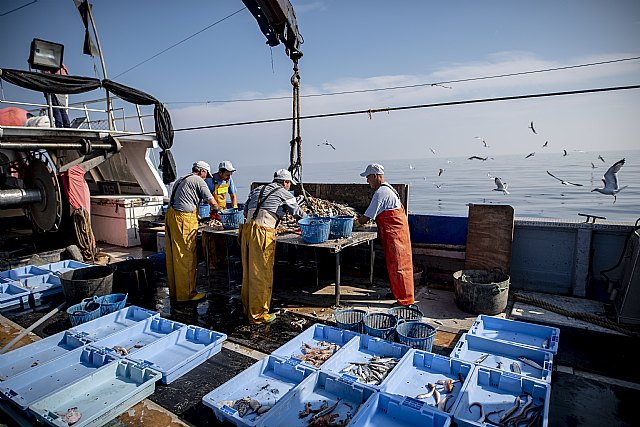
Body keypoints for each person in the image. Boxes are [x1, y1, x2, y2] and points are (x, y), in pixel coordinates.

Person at [240, 168, 306, 324]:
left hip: (246, 231)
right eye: (289, 184)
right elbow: (297, 212)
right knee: (261, 274)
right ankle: (258, 315)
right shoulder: (283, 192)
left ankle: (247, 308)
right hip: (262, 233)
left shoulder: (257, 189)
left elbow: (245, 211)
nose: (289, 186)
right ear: (285, 182)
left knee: (248, 272)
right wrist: (311, 221)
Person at [355, 163, 415, 306]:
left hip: (396, 235)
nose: (367, 181)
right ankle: (397, 293)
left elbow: (368, 216)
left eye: (368, 177)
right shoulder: (389, 189)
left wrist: (356, 223)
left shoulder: (381, 193)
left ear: (375, 176)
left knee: (400, 266)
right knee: (394, 265)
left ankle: (405, 301)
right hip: (394, 233)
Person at [165, 161, 219, 302]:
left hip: (171, 217)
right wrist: (216, 210)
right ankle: (187, 294)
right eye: (206, 174)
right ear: (202, 171)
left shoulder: (182, 179)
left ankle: (175, 292)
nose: (206, 177)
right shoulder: (198, 180)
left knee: (174, 256)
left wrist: (198, 216)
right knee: (186, 257)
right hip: (183, 219)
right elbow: (213, 203)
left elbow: (183, 200)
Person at [42, 64, 70, 128]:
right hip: (62, 86)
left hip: (52, 86)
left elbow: (45, 75)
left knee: (55, 107)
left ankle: (59, 125)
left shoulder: (47, 64)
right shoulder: (61, 65)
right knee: (62, 108)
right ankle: (67, 125)